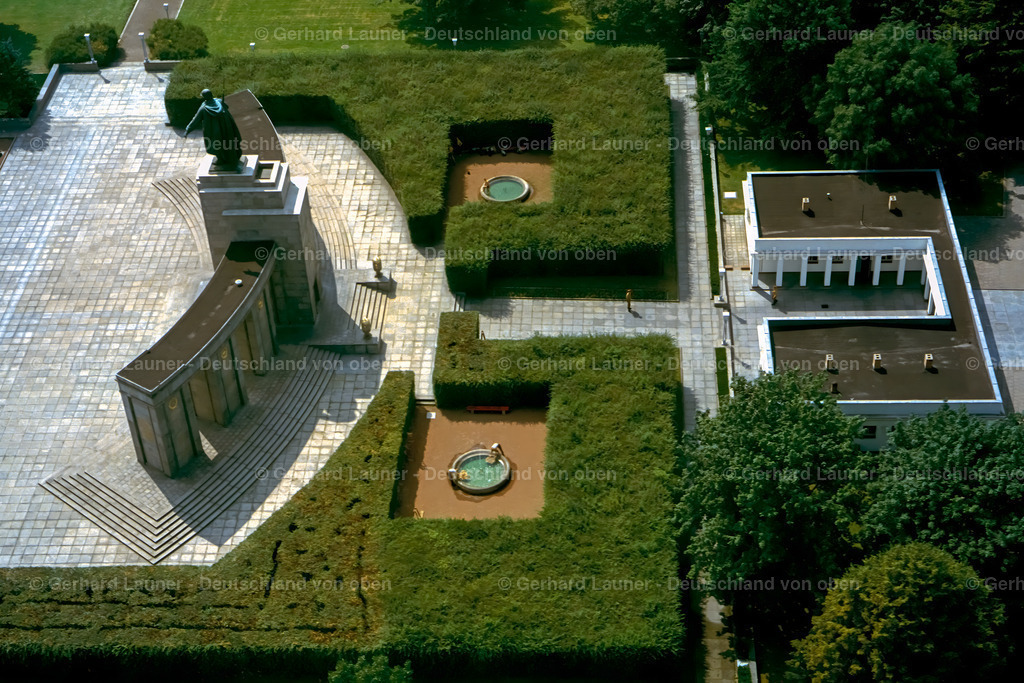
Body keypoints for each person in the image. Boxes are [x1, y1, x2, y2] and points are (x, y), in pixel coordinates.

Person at [184, 89, 244, 169]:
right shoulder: (219, 101)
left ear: (204, 98)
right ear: (211, 95)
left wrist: (187, 130)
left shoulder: (204, 108)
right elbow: (227, 107)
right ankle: (231, 158)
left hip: (214, 132)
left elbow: (196, 120)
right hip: (226, 129)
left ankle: (221, 160)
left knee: (216, 146)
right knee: (229, 142)